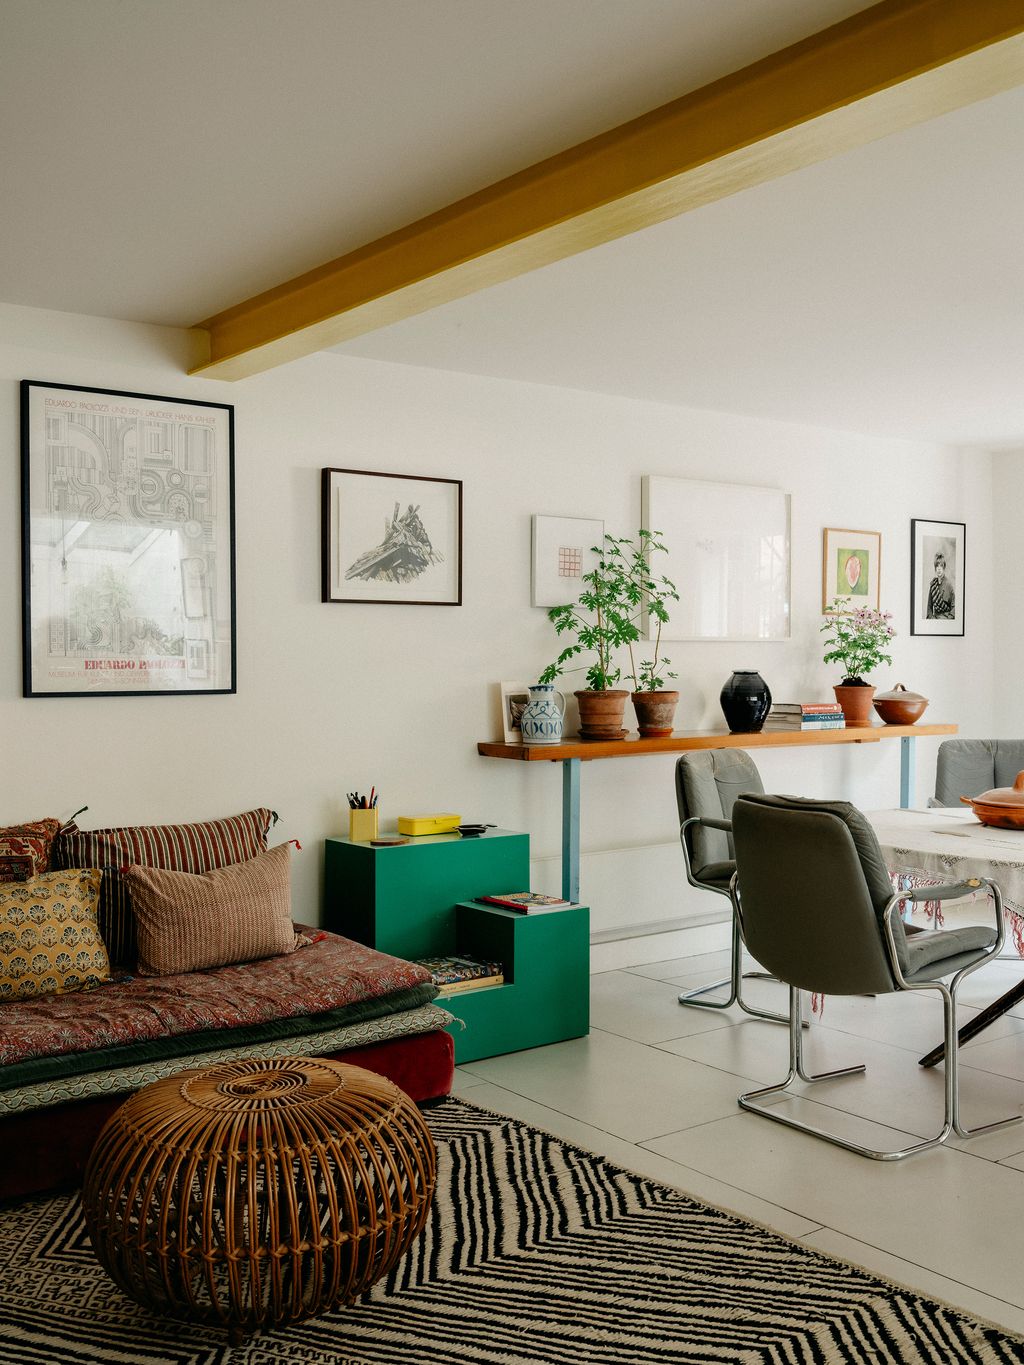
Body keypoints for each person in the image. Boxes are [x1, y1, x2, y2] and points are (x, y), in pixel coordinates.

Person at [926, 551, 955, 619]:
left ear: (944, 567)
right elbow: (929, 608)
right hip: (934, 621)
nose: (939, 568)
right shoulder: (933, 585)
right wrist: (932, 619)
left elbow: (954, 609)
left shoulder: (949, 585)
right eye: (937, 566)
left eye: (941, 566)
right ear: (935, 568)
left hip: (946, 622)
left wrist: (947, 620)